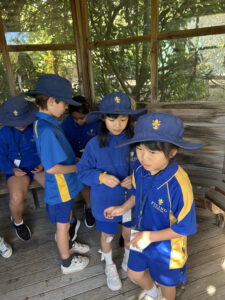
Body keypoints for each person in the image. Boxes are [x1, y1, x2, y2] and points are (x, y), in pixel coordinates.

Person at [104, 112, 203, 300]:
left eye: (152, 152)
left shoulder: (179, 184)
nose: (144, 157)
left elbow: (184, 228)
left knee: (167, 285)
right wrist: (124, 207)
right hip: (141, 234)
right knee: (134, 274)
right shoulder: (140, 170)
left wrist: (149, 237)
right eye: (139, 148)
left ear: (172, 151)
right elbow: (137, 194)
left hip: (167, 246)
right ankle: (153, 293)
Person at [77, 92, 146, 291]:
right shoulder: (94, 144)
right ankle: (109, 264)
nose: (117, 124)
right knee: (107, 235)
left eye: (123, 119)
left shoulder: (137, 143)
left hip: (130, 200)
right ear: (103, 118)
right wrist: (101, 177)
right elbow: (82, 172)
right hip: (105, 200)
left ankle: (127, 260)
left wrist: (134, 178)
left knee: (128, 233)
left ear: (129, 119)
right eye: (112, 119)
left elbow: (146, 167)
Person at [24, 74, 89, 274]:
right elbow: (52, 168)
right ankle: (66, 262)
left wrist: (73, 161)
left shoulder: (44, 123)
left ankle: (69, 242)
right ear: (52, 101)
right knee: (62, 226)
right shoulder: (47, 129)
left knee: (67, 217)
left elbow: (52, 156)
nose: (67, 108)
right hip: (60, 187)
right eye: (65, 104)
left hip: (62, 186)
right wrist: (78, 167)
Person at [0, 96, 45, 241]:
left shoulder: (38, 127)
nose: (21, 125)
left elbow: (46, 149)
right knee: (16, 196)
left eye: (23, 120)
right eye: (17, 122)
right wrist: (11, 169)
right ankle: (18, 222)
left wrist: (43, 164)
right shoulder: (4, 133)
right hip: (17, 169)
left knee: (56, 186)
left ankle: (64, 219)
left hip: (38, 166)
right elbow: (1, 156)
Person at [61, 95, 100, 228]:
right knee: (85, 182)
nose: (78, 121)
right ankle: (89, 206)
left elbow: (103, 144)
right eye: (75, 118)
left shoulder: (98, 123)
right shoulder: (65, 125)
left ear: (88, 113)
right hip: (74, 161)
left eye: (82, 118)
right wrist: (75, 159)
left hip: (96, 160)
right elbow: (62, 147)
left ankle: (98, 206)